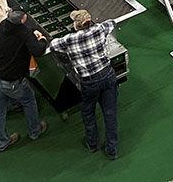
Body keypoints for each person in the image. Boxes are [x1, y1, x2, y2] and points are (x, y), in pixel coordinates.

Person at [48, 10, 120, 158]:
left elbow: (53, 45)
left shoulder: (69, 40)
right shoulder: (99, 29)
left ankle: (92, 143)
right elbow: (112, 22)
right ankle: (112, 150)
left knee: (88, 112)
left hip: (90, 82)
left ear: (76, 25)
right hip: (107, 75)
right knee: (110, 113)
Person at [0, 9, 49, 151]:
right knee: (29, 100)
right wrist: (42, 39)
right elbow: (38, 50)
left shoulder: (3, 25)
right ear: (22, 20)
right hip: (12, 81)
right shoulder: (24, 33)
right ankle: (35, 130)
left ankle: (2, 142)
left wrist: (31, 33)